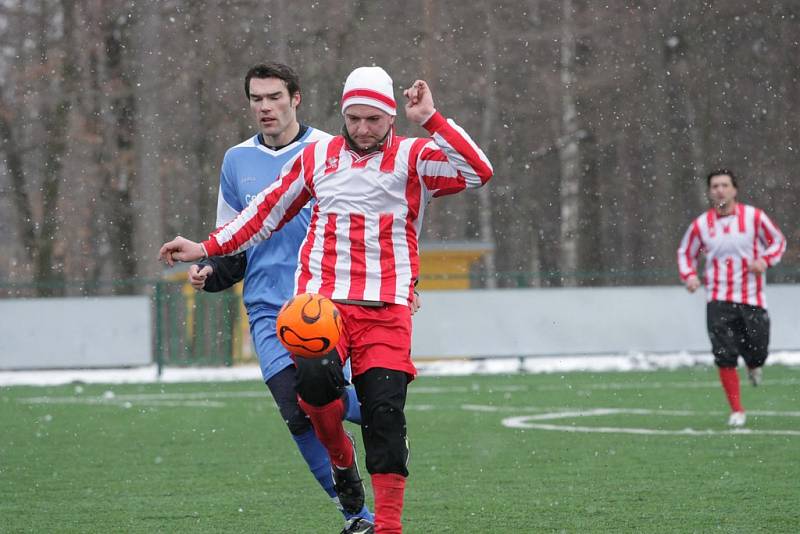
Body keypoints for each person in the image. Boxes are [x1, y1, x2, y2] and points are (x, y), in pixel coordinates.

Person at [160, 66, 493, 533]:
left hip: (386, 306)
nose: (361, 128)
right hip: (320, 306)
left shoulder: (415, 157)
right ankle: (341, 463)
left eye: (372, 119)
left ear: (391, 117)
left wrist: (432, 119)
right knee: (310, 391)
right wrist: (206, 248)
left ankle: (388, 527)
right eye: (353, 118)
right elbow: (264, 213)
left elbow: (478, 172)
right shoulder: (318, 158)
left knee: (384, 413)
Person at [186, 62, 374, 534]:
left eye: (274, 97)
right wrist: (211, 269)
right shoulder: (236, 161)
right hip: (269, 307)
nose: (265, 107)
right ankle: (356, 513)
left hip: (326, 303)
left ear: (296, 98)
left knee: (324, 398)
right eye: (256, 99)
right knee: (295, 411)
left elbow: (363, 228)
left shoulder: (331, 150)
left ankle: (380, 414)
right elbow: (234, 237)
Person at [677, 169, 786, 427]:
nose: (720, 190)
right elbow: (685, 252)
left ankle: (754, 365)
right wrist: (690, 276)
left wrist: (764, 260)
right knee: (724, 353)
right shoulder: (701, 225)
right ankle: (737, 409)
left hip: (752, 296)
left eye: (724, 185)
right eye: (715, 186)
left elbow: (778, 242)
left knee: (758, 349)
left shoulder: (754, 217)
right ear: (709, 191)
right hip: (717, 297)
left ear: (734, 189)